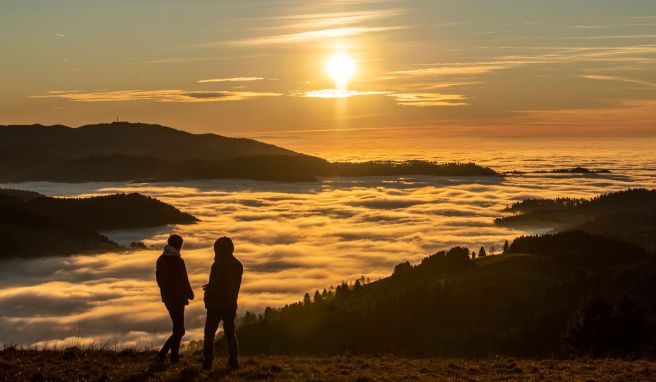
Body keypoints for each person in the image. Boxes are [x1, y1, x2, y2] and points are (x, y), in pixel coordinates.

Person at [202, 236, 243, 371]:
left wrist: (207, 292)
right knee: (230, 333)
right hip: (231, 304)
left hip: (216, 305)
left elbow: (215, 286)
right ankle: (233, 360)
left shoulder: (217, 265)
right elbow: (231, 284)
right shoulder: (238, 265)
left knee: (209, 334)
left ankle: (208, 363)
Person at [155, 234, 194, 364]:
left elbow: (159, 280)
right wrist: (189, 293)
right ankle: (162, 354)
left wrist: (165, 292)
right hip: (177, 298)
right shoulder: (178, 260)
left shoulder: (161, 259)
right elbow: (184, 279)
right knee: (180, 330)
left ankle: (174, 358)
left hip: (167, 298)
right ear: (178, 245)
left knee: (177, 328)